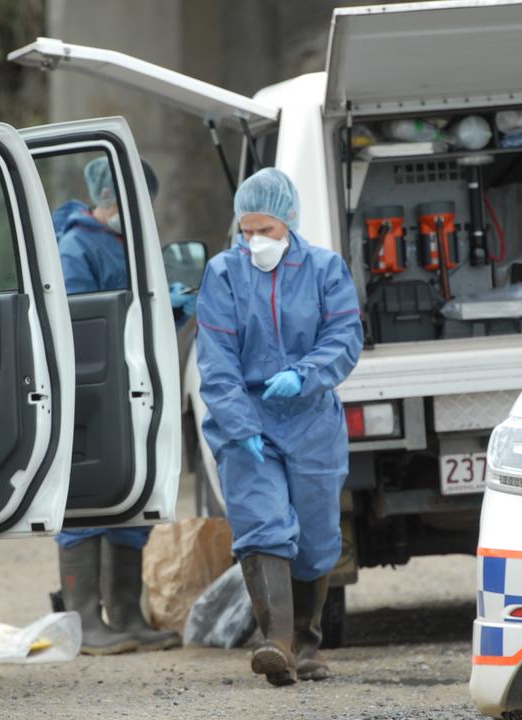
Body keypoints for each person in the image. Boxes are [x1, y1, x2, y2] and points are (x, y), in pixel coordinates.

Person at [195, 168, 363, 685]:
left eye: (265, 230)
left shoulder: (324, 269)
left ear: (288, 221)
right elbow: (216, 356)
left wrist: (304, 373)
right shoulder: (224, 273)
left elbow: (344, 335)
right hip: (247, 419)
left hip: (310, 416)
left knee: (315, 539)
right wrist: (238, 422)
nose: (255, 241)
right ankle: (277, 644)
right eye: (247, 231)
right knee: (263, 525)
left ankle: (306, 647)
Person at [53, 156, 191, 655]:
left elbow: (139, 329)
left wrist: (168, 314)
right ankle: (86, 621)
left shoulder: (128, 245)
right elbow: (83, 325)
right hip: (91, 393)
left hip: (131, 389)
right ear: (111, 199)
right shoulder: (75, 247)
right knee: (85, 501)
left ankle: (127, 615)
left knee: (131, 497)